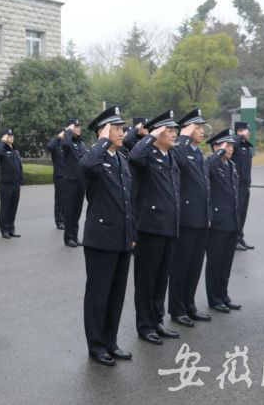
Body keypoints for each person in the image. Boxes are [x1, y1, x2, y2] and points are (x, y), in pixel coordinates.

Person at [80, 106, 135, 367]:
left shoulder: (121, 159)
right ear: (103, 131)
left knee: (116, 294)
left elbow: (128, 202)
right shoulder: (94, 157)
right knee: (99, 294)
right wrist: (103, 139)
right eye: (117, 128)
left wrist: (132, 234)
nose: (122, 132)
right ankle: (97, 346)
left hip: (122, 237)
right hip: (101, 238)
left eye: (122, 128)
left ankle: (111, 341)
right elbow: (87, 164)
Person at [128, 109, 181, 345]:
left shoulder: (170, 156)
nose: (173, 134)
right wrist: (150, 135)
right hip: (149, 228)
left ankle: (157, 321)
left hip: (169, 227)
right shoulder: (147, 154)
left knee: (161, 279)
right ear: (157, 132)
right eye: (168, 130)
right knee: (147, 279)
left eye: (174, 130)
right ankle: (145, 325)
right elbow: (133, 157)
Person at [168, 108, 213, 327]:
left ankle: (189, 304)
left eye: (203, 127)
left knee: (195, 265)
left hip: (201, 218)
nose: (202, 131)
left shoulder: (198, 153)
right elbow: (177, 161)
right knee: (181, 265)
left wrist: (208, 214)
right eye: (197, 127)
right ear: (186, 129)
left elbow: (205, 187)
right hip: (185, 219)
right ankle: (177, 309)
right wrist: (184, 136)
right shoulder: (181, 149)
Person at [205, 128, 242, 313]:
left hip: (231, 222)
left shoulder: (231, 166)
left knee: (226, 263)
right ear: (216, 147)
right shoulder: (212, 165)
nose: (230, 149)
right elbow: (206, 168)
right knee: (215, 263)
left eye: (231, 146)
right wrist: (218, 154)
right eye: (226, 146)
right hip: (218, 222)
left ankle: (223, 295)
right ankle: (214, 298)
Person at [61, 118, 87, 247]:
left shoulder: (81, 143)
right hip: (71, 181)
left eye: (78, 126)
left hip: (81, 181)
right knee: (70, 210)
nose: (79, 128)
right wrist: (68, 131)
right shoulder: (68, 142)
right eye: (75, 127)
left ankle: (75, 236)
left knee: (77, 210)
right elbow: (65, 144)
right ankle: (68, 237)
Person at [0, 129, 22, 239]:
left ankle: (11, 229)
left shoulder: (15, 151)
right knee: (5, 208)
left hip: (15, 184)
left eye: (12, 136)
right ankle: (4, 230)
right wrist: (2, 141)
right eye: (8, 136)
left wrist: (20, 181)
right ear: (4, 137)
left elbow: (20, 167)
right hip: (6, 184)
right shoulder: (2, 150)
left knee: (13, 208)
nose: (11, 137)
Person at [232, 121, 254, 251]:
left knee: (243, 213)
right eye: (246, 130)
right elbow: (232, 142)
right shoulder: (235, 144)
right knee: (237, 212)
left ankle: (240, 238)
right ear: (239, 131)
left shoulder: (246, 146)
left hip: (246, 185)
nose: (249, 132)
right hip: (237, 185)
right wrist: (240, 136)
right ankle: (234, 240)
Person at [46, 127, 66, 230]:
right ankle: (60, 221)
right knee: (60, 199)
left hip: (69, 176)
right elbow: (49, 146)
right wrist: (59, 137)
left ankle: (66, 219)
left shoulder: (68, 144)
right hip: (59, 176)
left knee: (68, 200)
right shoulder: (56, 145)